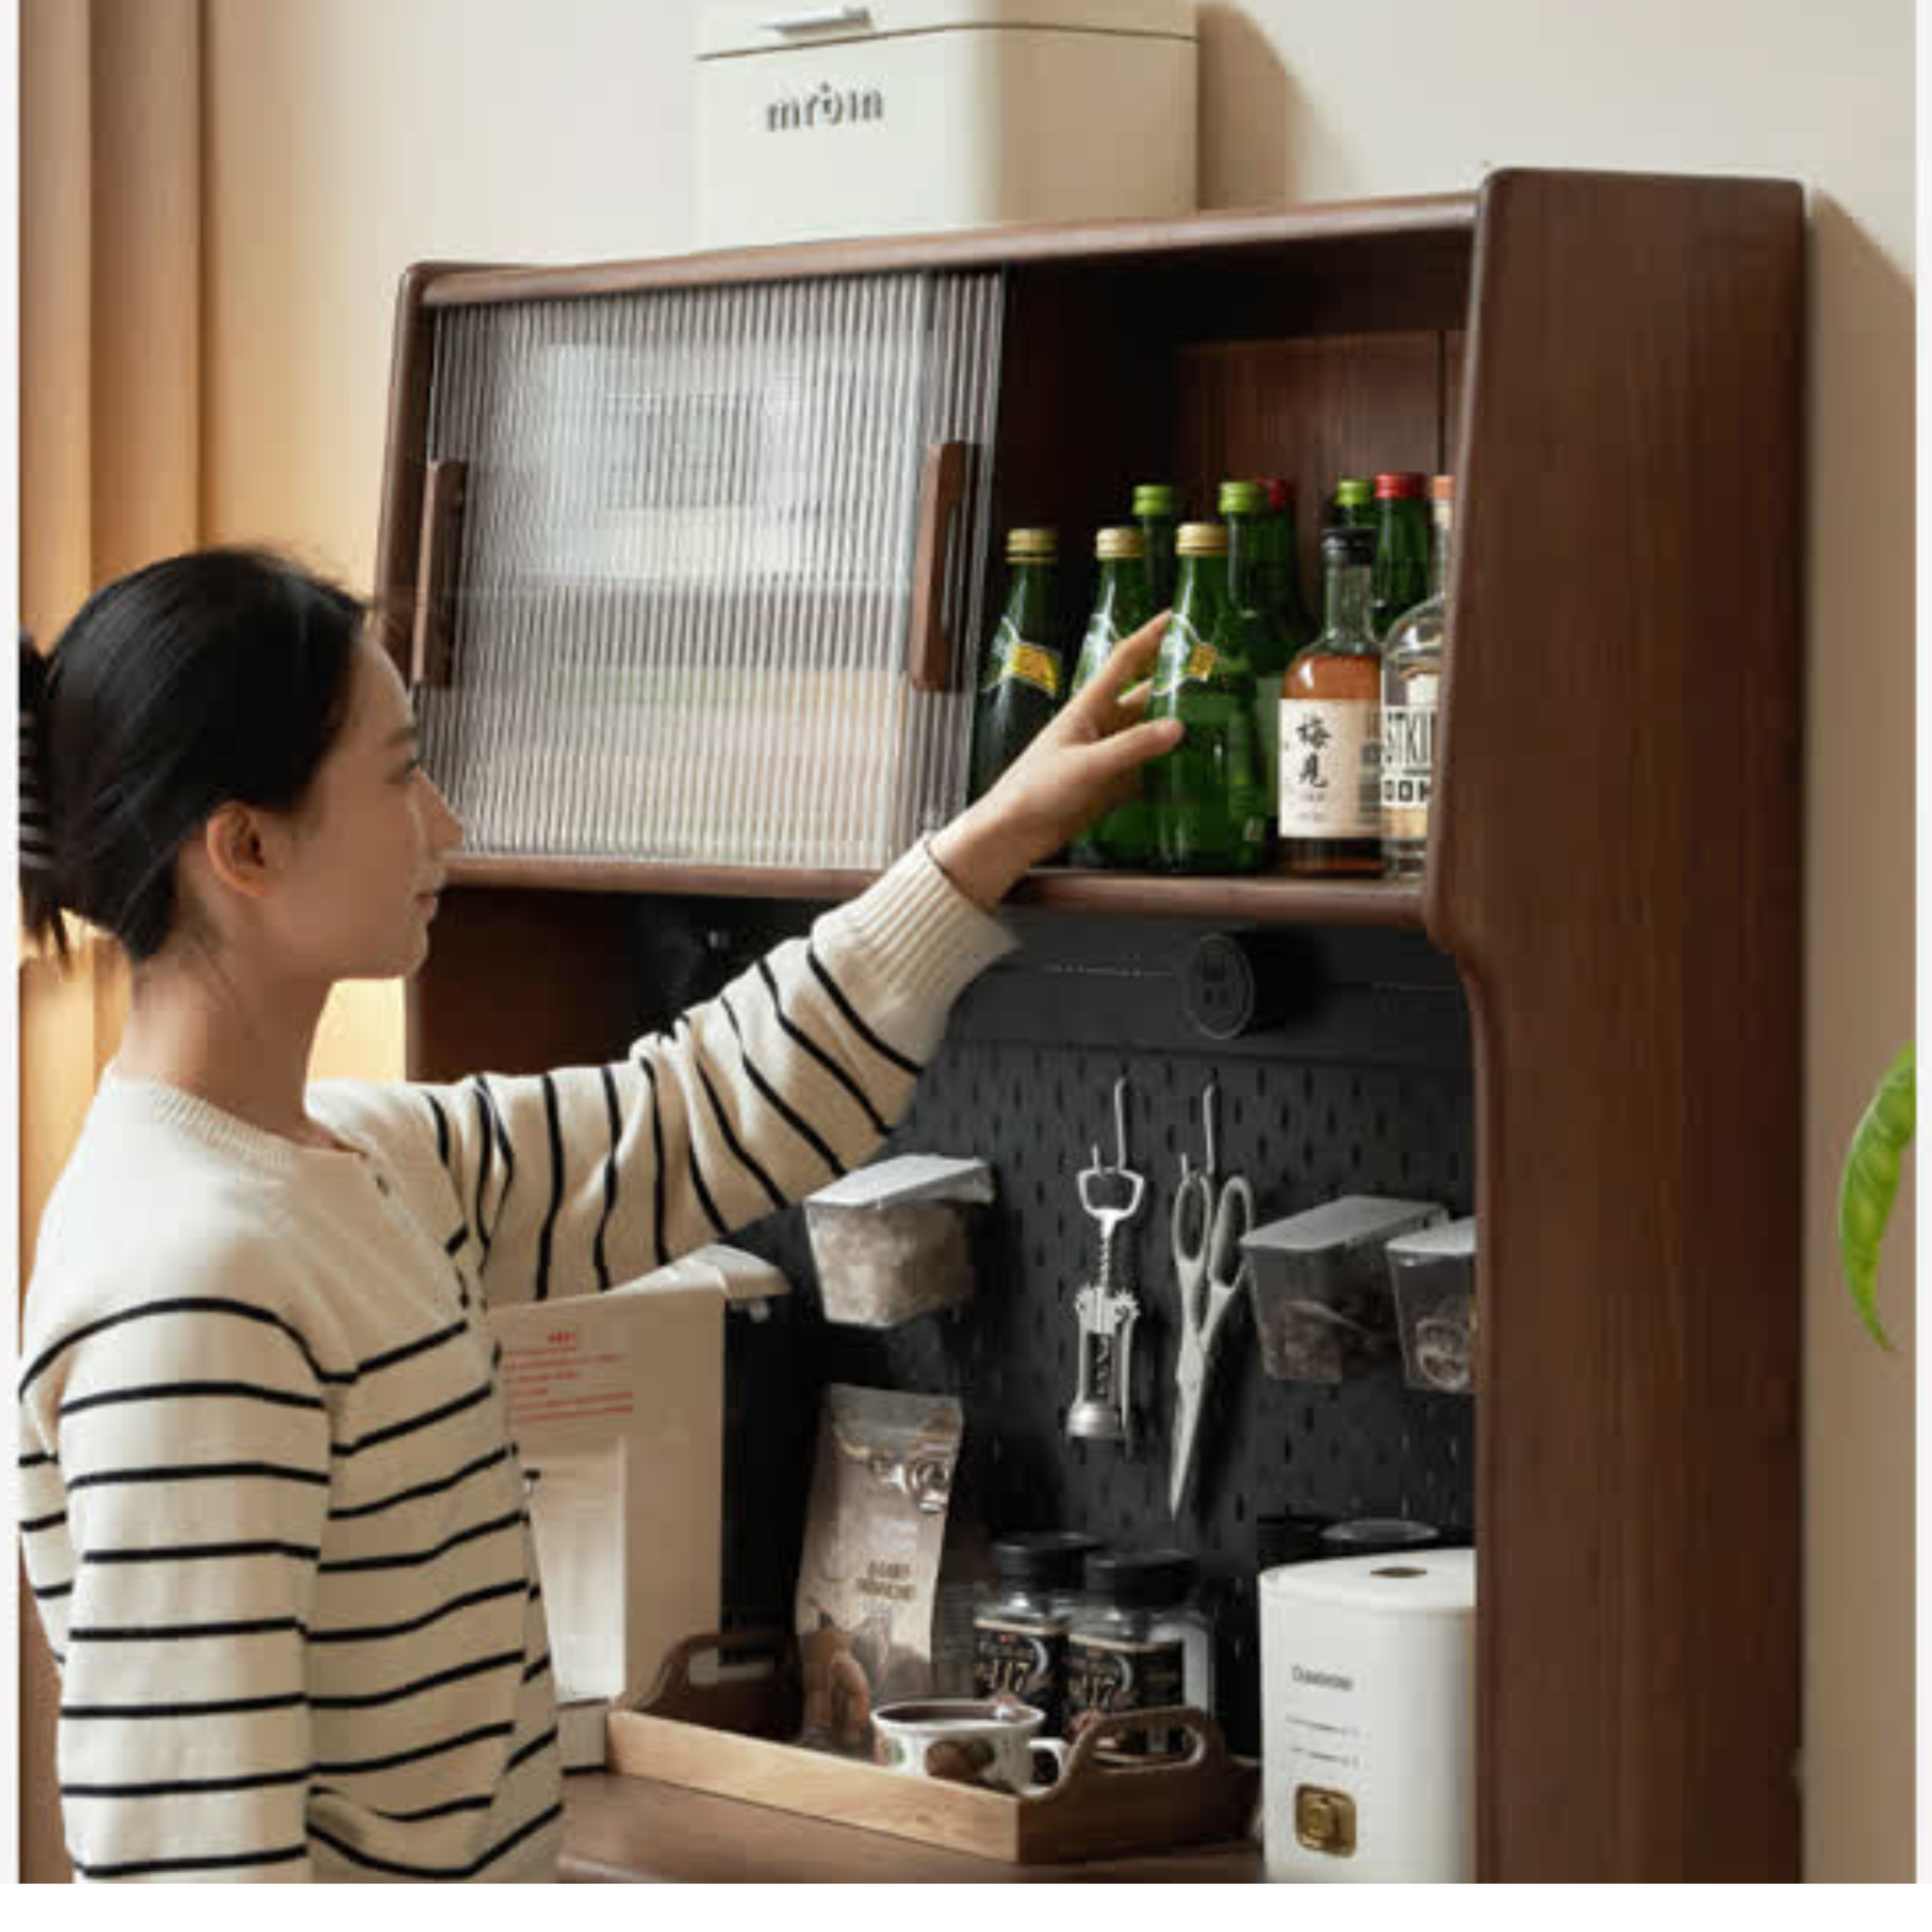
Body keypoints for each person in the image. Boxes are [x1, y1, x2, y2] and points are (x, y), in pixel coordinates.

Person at [15, 546, 1181, 1883]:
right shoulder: (192, 1284)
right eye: (400, 775)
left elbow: (689, 1118)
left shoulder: (365, 1159)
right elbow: (193, 1871)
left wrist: (984, 844)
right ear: (246, 845)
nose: (444, 823)